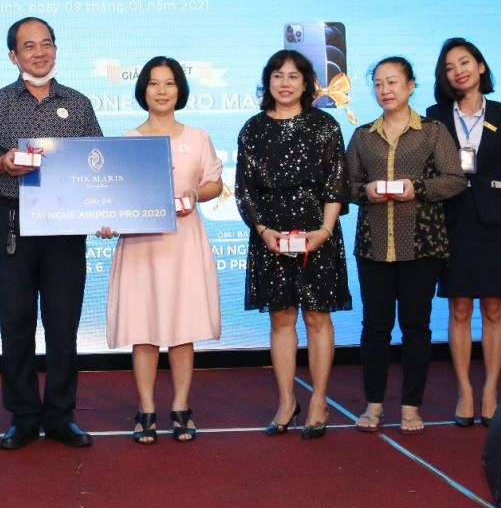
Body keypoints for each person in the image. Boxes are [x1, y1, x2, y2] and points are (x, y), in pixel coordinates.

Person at [0, 17, 103, 450]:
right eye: (29, 46)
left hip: (66, 227)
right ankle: (23, 416)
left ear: (56, 49)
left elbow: (100, 162)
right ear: (13, 56)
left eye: (46, 44)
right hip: (13, 223)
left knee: (63, 325)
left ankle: (60, 416)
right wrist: (2, 163)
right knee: (15, 324)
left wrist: (107, 209)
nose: (39, 52)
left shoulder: (78, 103)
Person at [99, 56, 223, 444]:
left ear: (180, 90)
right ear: (143, 90)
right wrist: (108, 220)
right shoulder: (128, 141)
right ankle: (147, 410)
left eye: (169, 83)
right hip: (142, 243)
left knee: (184, 329)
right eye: (154, 83)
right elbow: (114, 196)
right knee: (145, 329)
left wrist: (194, 193)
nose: (162, 91)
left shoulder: (198, 137)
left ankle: (181, 407)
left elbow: (214, 183)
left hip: (183, 242)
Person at [345, 56, 466, 435]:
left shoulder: (433, 131)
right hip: (373, 246)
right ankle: (374, 405)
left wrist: (419, 188)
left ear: (411, 86)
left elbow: (455, 179)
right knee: (375, 327)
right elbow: (344, 186)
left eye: (393, 82)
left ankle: (411, 407)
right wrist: (364, 192)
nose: (385, 90)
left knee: (416, 327)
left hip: (422, 244)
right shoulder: (363, 136)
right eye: (379, 84)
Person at [234, 50, 351, 440]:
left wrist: (325, 230)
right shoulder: (253, 129)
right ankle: (286, 401)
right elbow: (244, 190)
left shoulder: (324, 125)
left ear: (306, 83)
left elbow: (336, 183)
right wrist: (263, 230)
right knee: (281, 319)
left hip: (318, 233)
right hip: (270, 236)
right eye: (277, 76)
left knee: (317, 317)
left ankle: (318, 400)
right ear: (267, 82)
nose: (285, 83)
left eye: (293, 76)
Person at [426, 38, 501, 427]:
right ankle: (465, 390)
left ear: (480, 66)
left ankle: (490, 390)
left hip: (495, 220)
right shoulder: (435, 116)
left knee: (494, 308)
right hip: (452, 219)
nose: (458, 71)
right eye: (450, 67)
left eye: (464, 62)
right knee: (459, 307)